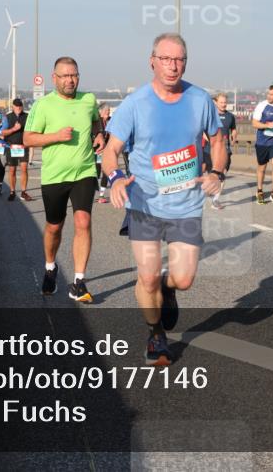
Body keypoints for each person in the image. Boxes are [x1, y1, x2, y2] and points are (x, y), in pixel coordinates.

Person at [104, 33, 226, 366]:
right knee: (146, 275)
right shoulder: (135, 103)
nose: (173, 66)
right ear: (152, 61)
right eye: (167, 59)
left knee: (184, 279)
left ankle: (167, 289)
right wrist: (115, 179)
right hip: (144, 202)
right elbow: (111, 150)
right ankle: (155, 333)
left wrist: (216, 172)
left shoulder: (200, 100)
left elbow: (218, 140)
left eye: (180, 60)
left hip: (185, 203)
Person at [24, 57, 105, 303]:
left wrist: (99, 134)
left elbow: (95, 119)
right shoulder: (43, 105)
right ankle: (50, 267)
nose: (70, 80)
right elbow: (28, 139)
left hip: (84, 171)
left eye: (74, 75)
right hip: (54, 175)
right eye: (65, 76)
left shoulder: (88, 99)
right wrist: (56, 136)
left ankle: (79, 282)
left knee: (83, 221)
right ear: (54, 78)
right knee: (54, 227)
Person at [204, 93, 237, 210]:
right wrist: (207, 138)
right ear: (216, 102)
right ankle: (205, 191)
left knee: (223, 173)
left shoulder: (230, 117)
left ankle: (216, 199)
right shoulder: (210, 116)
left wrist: (234, 136)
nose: (224, 104)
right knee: (208, 174)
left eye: (225, 102)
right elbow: (202, 130)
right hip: (209, 149)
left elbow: (233, 129)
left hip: (225, 150)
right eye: (221, 102)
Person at [2, 98, 33, 202]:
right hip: (12, 147)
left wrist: (27, 142)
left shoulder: (27, 117)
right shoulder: (7, 117)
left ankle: (24, 192)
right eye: (16, 106)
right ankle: (12, 192)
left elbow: (31, 131)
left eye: (20, 106)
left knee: (24, 169)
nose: (18, 108)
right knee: (12, 170)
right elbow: (3, 133)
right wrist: (14, 129)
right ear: (13, 106)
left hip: (23, 147)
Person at [94, 103, 112, 203]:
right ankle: (92, 193)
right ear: (100, 112)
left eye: (109, 111)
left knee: (106, 173)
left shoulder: (110, 120)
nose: (108, 113)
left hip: (106, 151)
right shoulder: (96, 122)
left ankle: (101, 195)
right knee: (96, 173)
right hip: (96, 150)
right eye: (106, 111)